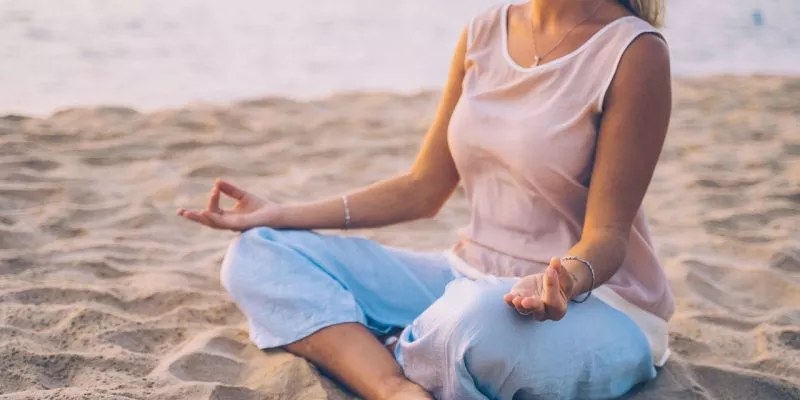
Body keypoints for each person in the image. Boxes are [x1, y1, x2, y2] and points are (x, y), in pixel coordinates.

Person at [177, 0, 674, 398]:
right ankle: (393, 387)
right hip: (465, 276)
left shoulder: (634, 51)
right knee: (260, 253)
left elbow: (607, 236)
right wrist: (280, 215)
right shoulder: (483, 31)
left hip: (593, 304)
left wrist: (561, 280)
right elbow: (422, 187)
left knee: (471, 326)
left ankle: (399, 344)